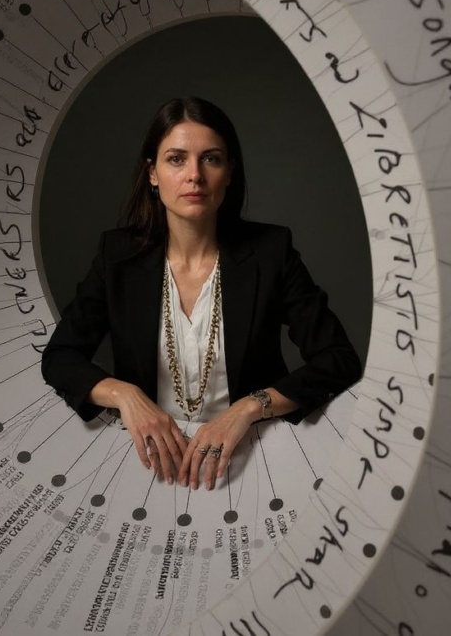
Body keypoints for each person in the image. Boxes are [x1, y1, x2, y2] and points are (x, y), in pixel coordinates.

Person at [41, 97, 361, 491]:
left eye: (210, 159)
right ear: (153, 173)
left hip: (257, 460)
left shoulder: (270, 252)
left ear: (229, 172)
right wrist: (126, 396)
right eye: (176, 159)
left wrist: (249, 408)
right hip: (146, 467)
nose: (194, 175)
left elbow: (338, 359)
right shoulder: (117, 257)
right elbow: (60, 357)